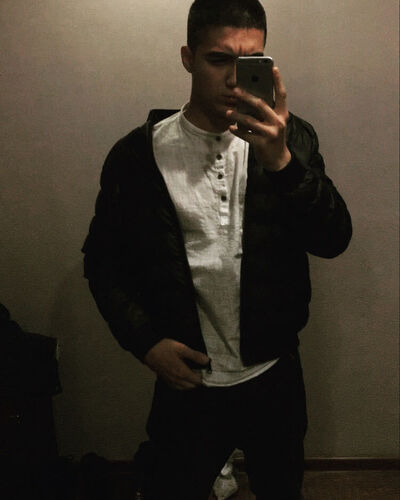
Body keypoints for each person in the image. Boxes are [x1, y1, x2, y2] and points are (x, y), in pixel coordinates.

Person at [82, 1, 352, 498]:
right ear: (188, 58)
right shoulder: (138, 155)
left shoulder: (291, 138)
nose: (233, 79)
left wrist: (282, 162)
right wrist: (146, 343)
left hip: (274, 372)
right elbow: (103, 263)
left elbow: (333, 239)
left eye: (251, 63)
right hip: (189, 380)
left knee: (280, 489)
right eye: (218, 59)